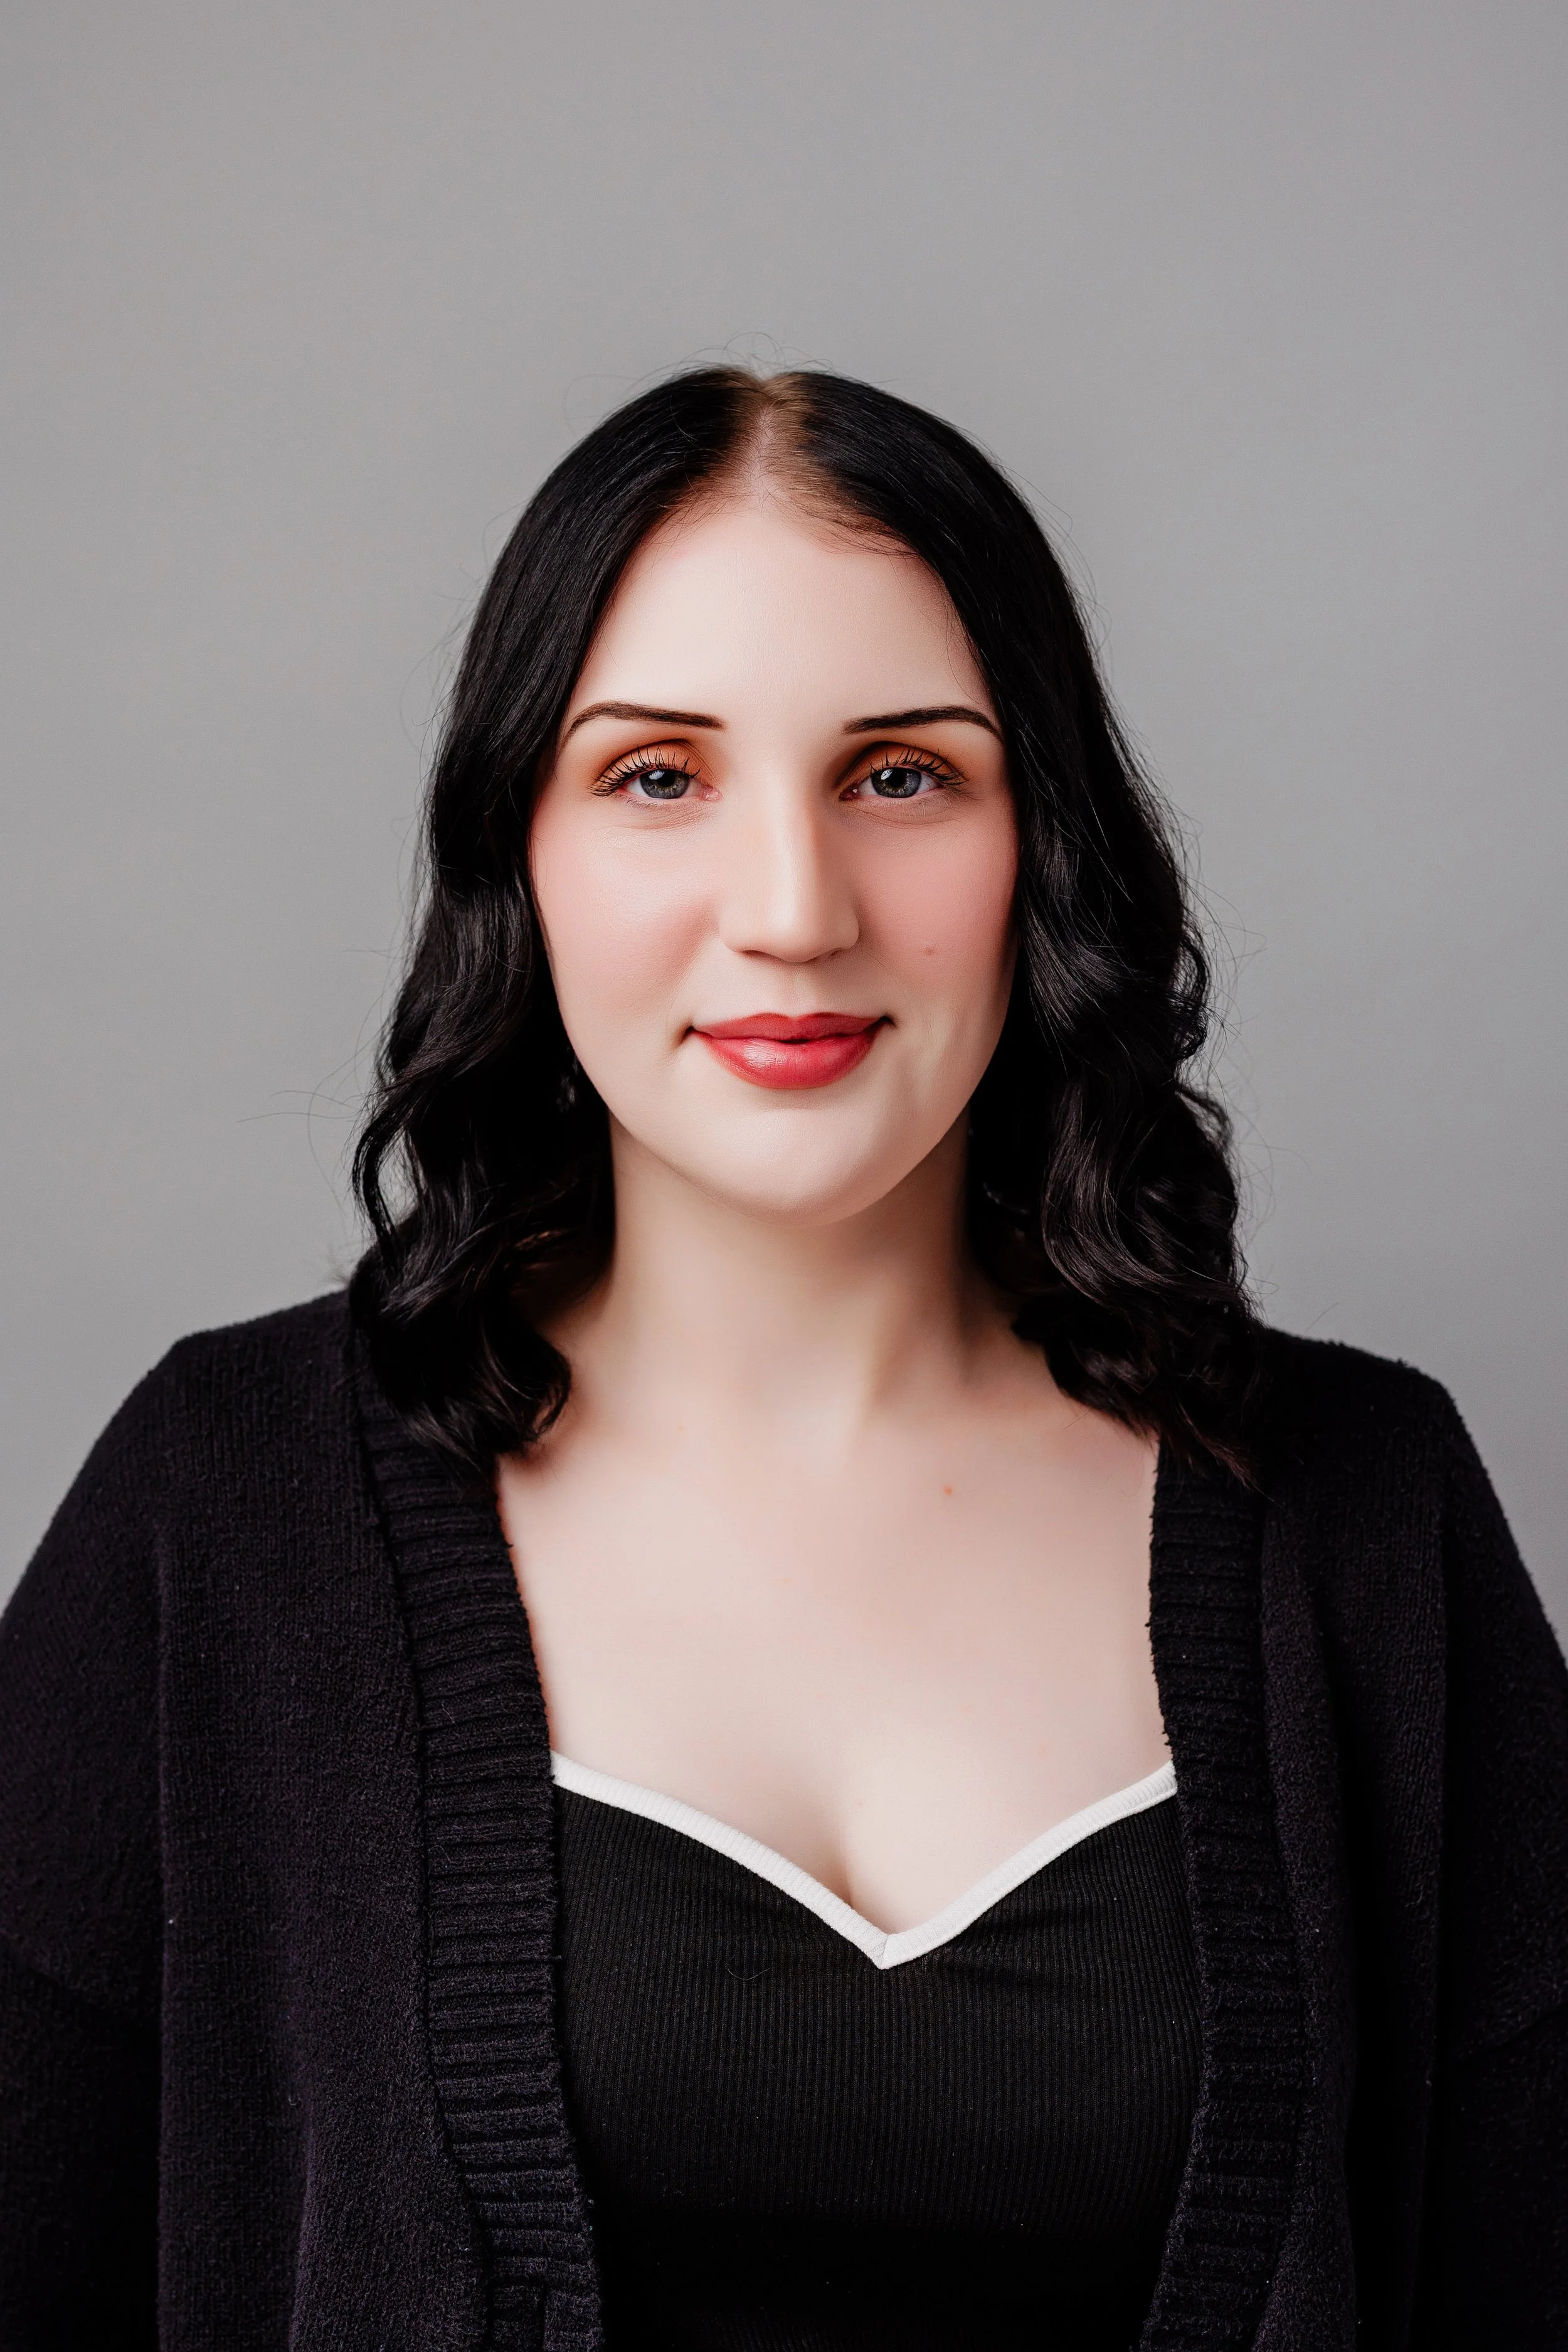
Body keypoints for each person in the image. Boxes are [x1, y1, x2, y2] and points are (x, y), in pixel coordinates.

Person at [1, 367, 1564, 2352]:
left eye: (901, 775)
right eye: (657, 776)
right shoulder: (225, 1501)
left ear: (1042, 842)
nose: (792, 912)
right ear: (521, 851)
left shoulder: (1364, 1507)